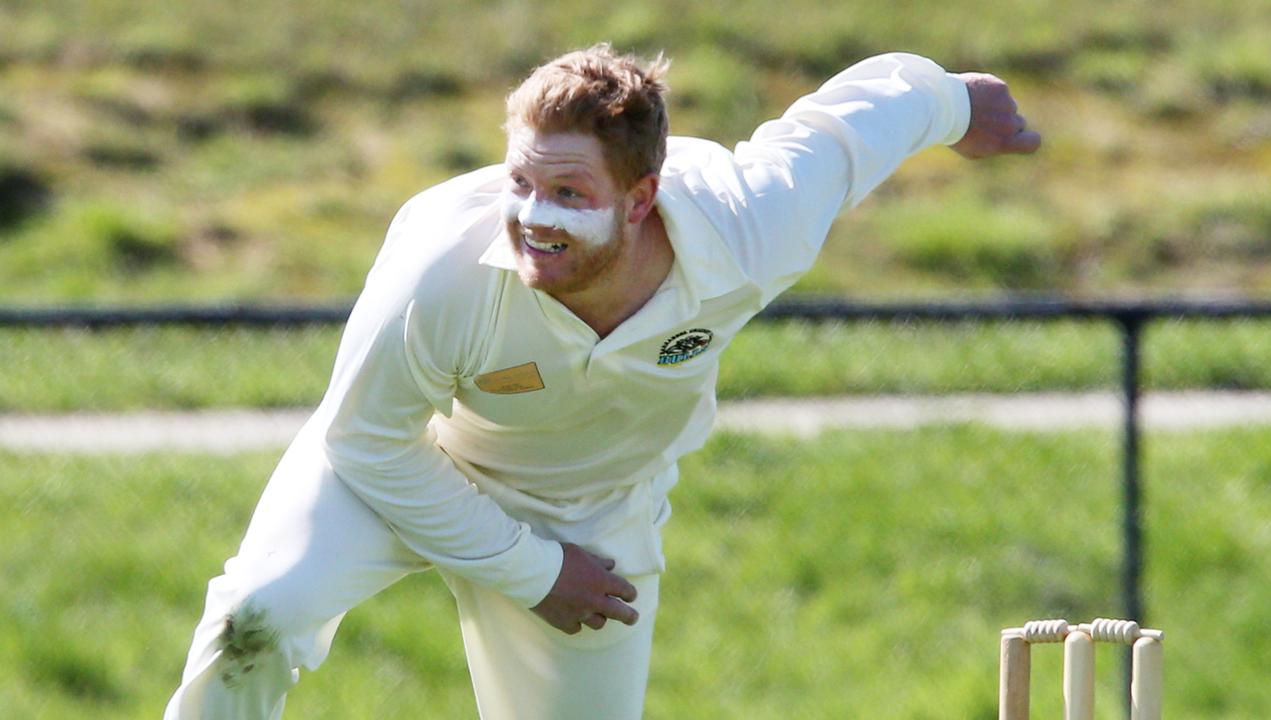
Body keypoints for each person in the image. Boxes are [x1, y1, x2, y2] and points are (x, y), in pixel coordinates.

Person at [165, 43, 1039, 719]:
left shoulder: (745, 226)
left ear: (641, 197)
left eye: (568, 191)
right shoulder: (439, 270)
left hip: (592, 511)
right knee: (260, 615)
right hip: (407, 468)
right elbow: (364, 440)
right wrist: (530, 569)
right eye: (520, 181)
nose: (532, 217)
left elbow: (853, 122)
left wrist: (959, 102)